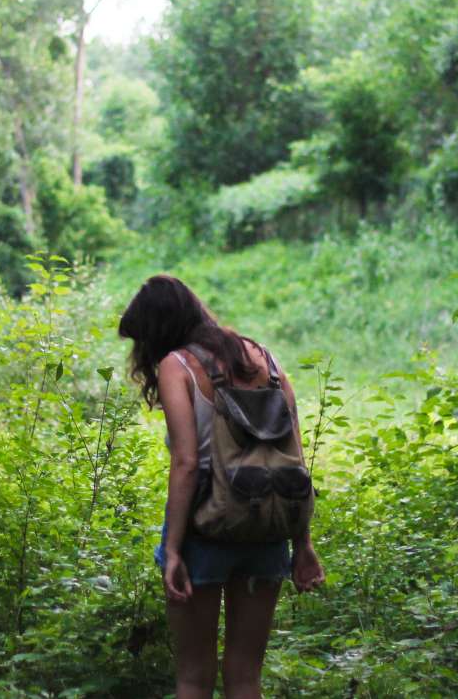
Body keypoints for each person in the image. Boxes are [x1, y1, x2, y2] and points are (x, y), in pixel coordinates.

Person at [118, 275, 325, 699]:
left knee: (194, 675)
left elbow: (187, 463)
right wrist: (301, 543)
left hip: (205, 526)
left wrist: (174, 550)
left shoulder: (178, 365)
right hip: (267, 527)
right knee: (246, 675)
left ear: (157, 330)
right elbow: (294, 463)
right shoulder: (264, 359)